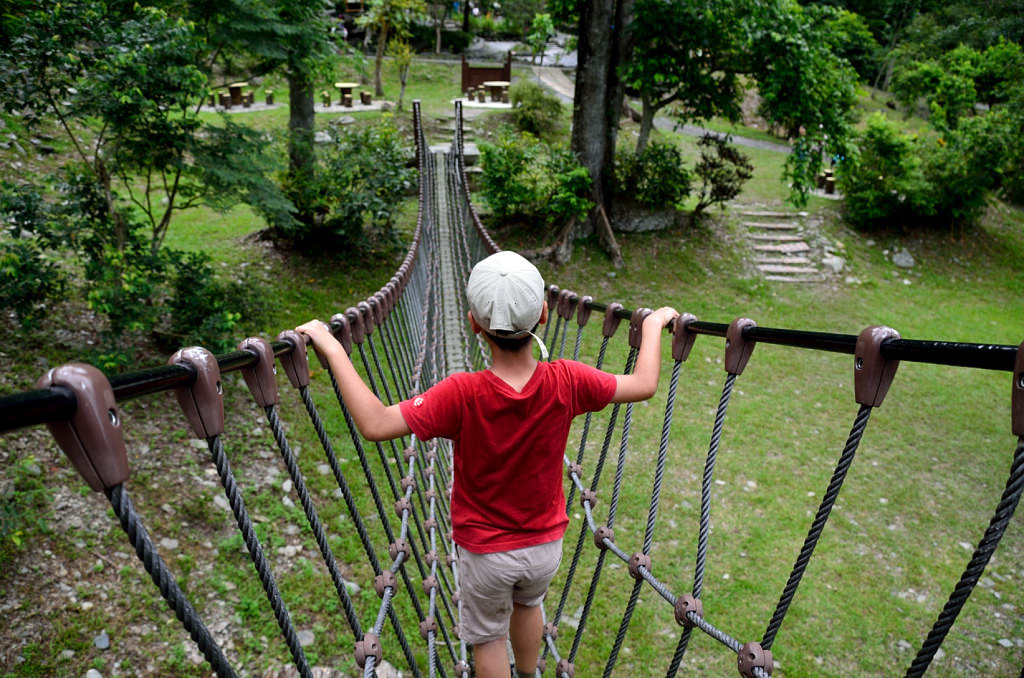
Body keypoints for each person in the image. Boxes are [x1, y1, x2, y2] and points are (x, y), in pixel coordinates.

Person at [297, 251, 678, 678]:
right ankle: (529, 673)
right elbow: (644, 384)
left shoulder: (461, 393)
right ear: (544, 314)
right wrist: (651, 327)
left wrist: (333, 348)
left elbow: (376, 423)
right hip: (544, 547)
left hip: (486, 553)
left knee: (489, 638)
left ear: (474, 324)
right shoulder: (568, 380)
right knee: (529, 604)